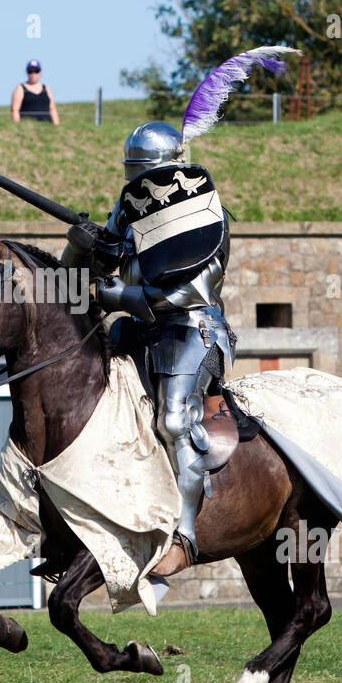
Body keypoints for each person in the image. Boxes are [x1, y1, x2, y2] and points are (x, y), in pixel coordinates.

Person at [61, 121, 234, 576]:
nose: (136, 182)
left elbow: (183, 294)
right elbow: (84, 278)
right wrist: (80, 247)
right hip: (136, 328)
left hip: (189, 329)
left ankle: (185, 537)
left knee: (173, 419)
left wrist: (110, 295)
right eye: (131, 172)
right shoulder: (131, 206)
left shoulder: (201, 218)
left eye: (142, 170)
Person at [11, 59, 59, 124]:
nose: (33, 74)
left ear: (40, 73)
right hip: (28, 128)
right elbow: (15, 110)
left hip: (47, 127)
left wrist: (56, 125)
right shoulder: (20, 88)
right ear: (27, 72)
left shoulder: (46, 89)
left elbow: (52, 109)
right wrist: (17, 127)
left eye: (36, 71)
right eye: (30, 71)